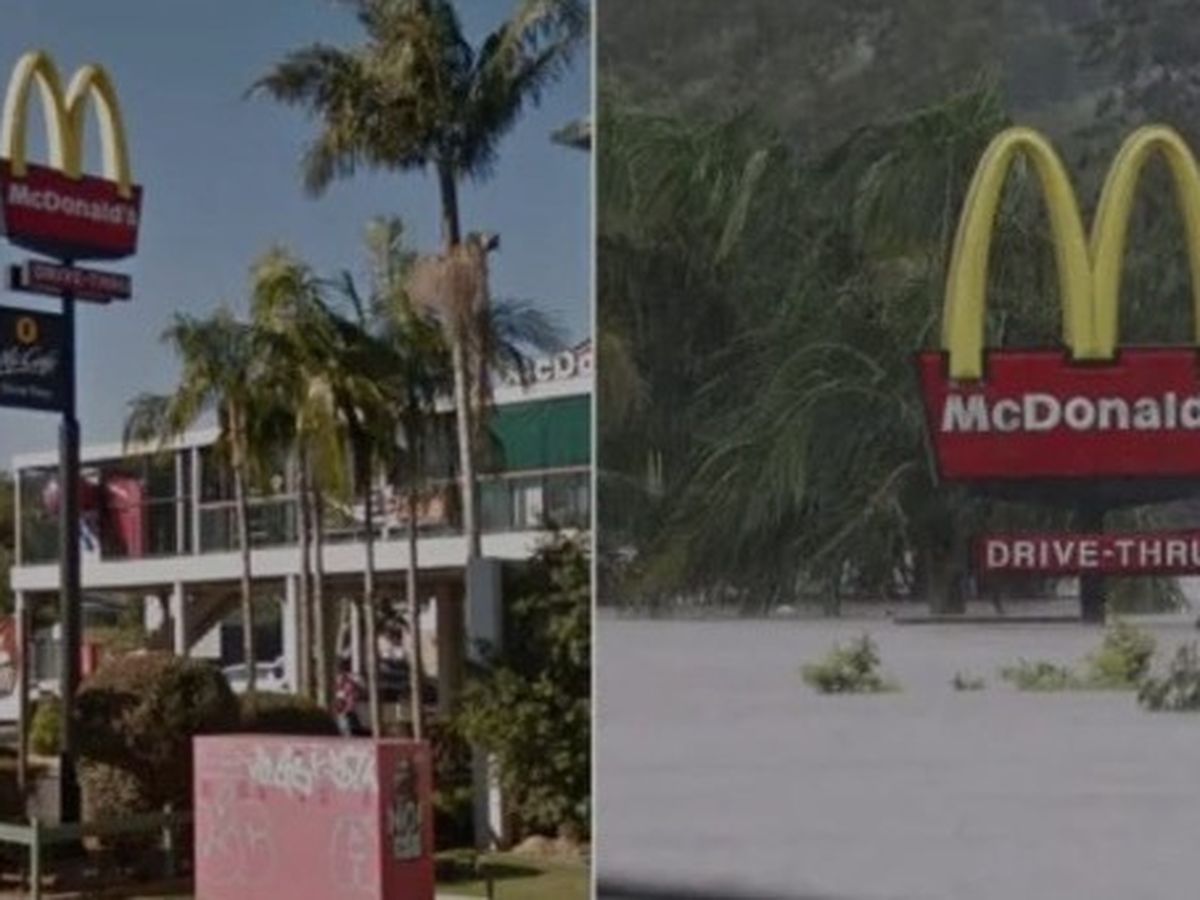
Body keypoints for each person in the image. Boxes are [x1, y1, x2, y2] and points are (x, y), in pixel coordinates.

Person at [334, 662, 364, 736]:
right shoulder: (338, 685)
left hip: (346, 712)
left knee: (346, 726)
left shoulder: (349, 685)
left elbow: (352, 699)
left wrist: (346, 710)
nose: (339, 678)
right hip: (341, 711)